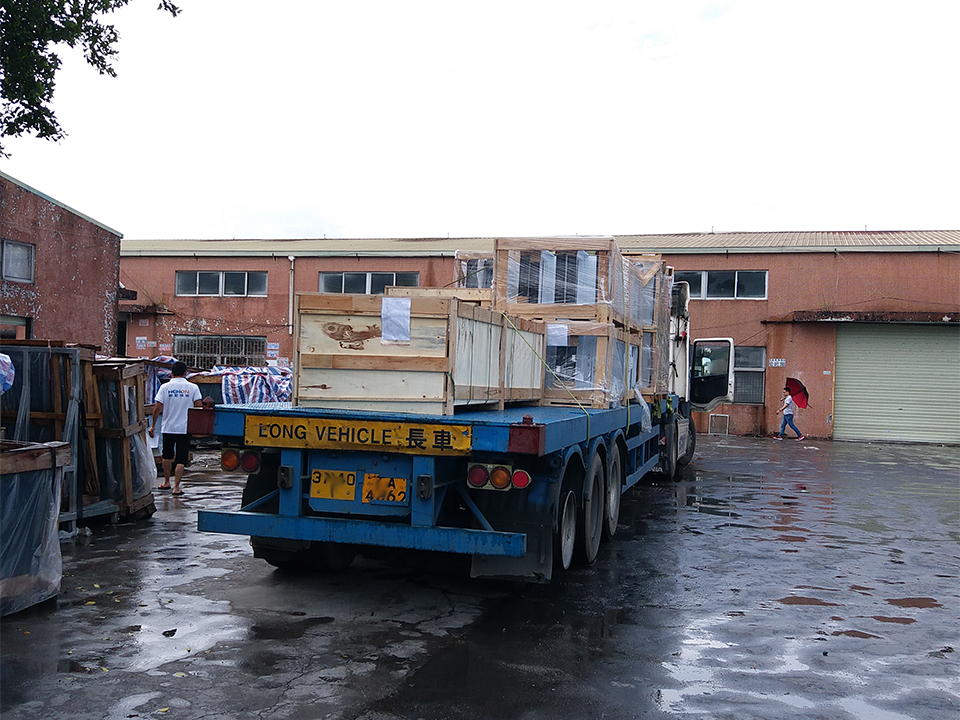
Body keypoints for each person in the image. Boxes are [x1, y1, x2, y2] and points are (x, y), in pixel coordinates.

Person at [148, 361, 202, 495]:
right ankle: (176, 487)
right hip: (185, 428)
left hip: (168, 428)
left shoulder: (165, 387)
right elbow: (199, 408)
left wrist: (153, 426)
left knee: (167, 456)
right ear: (185, 373)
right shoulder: (193, 388)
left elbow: (157, 409)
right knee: (181, 458)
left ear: (171, 373)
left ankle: (166, 481)